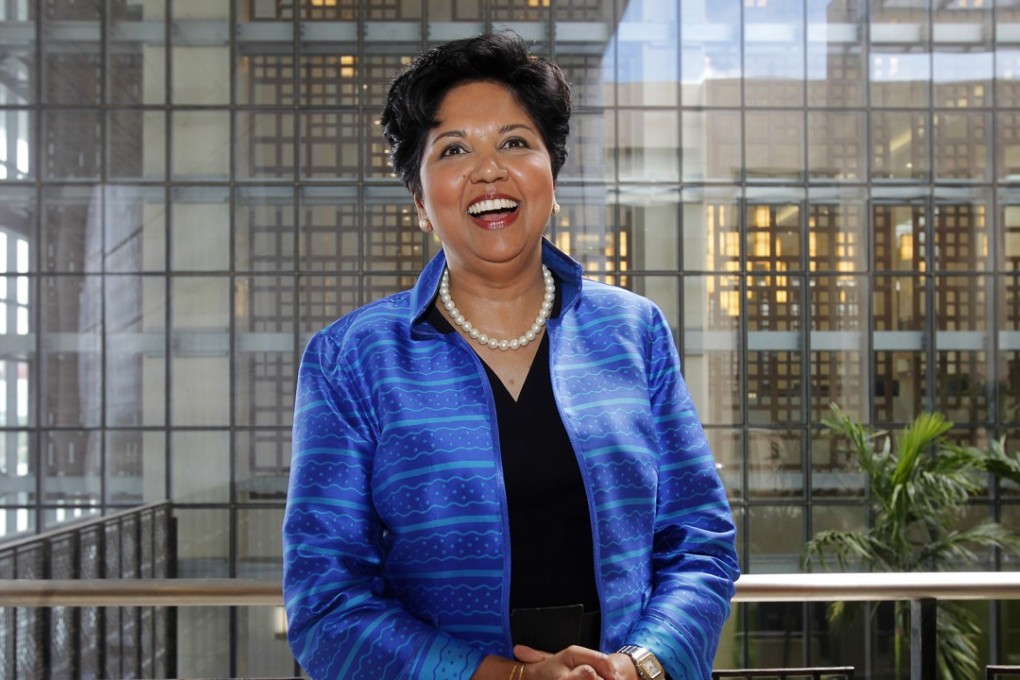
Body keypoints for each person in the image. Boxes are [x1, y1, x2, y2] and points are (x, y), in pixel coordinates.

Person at [282, 31, 739, 680]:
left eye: (515, 143)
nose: (489, 168)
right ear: (419, 201)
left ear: (552, 175)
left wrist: (640, 666)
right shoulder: (351, 359)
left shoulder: (634, 330)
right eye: (454, 149)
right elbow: (326, 601)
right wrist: (509, 677)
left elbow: (701, 544)